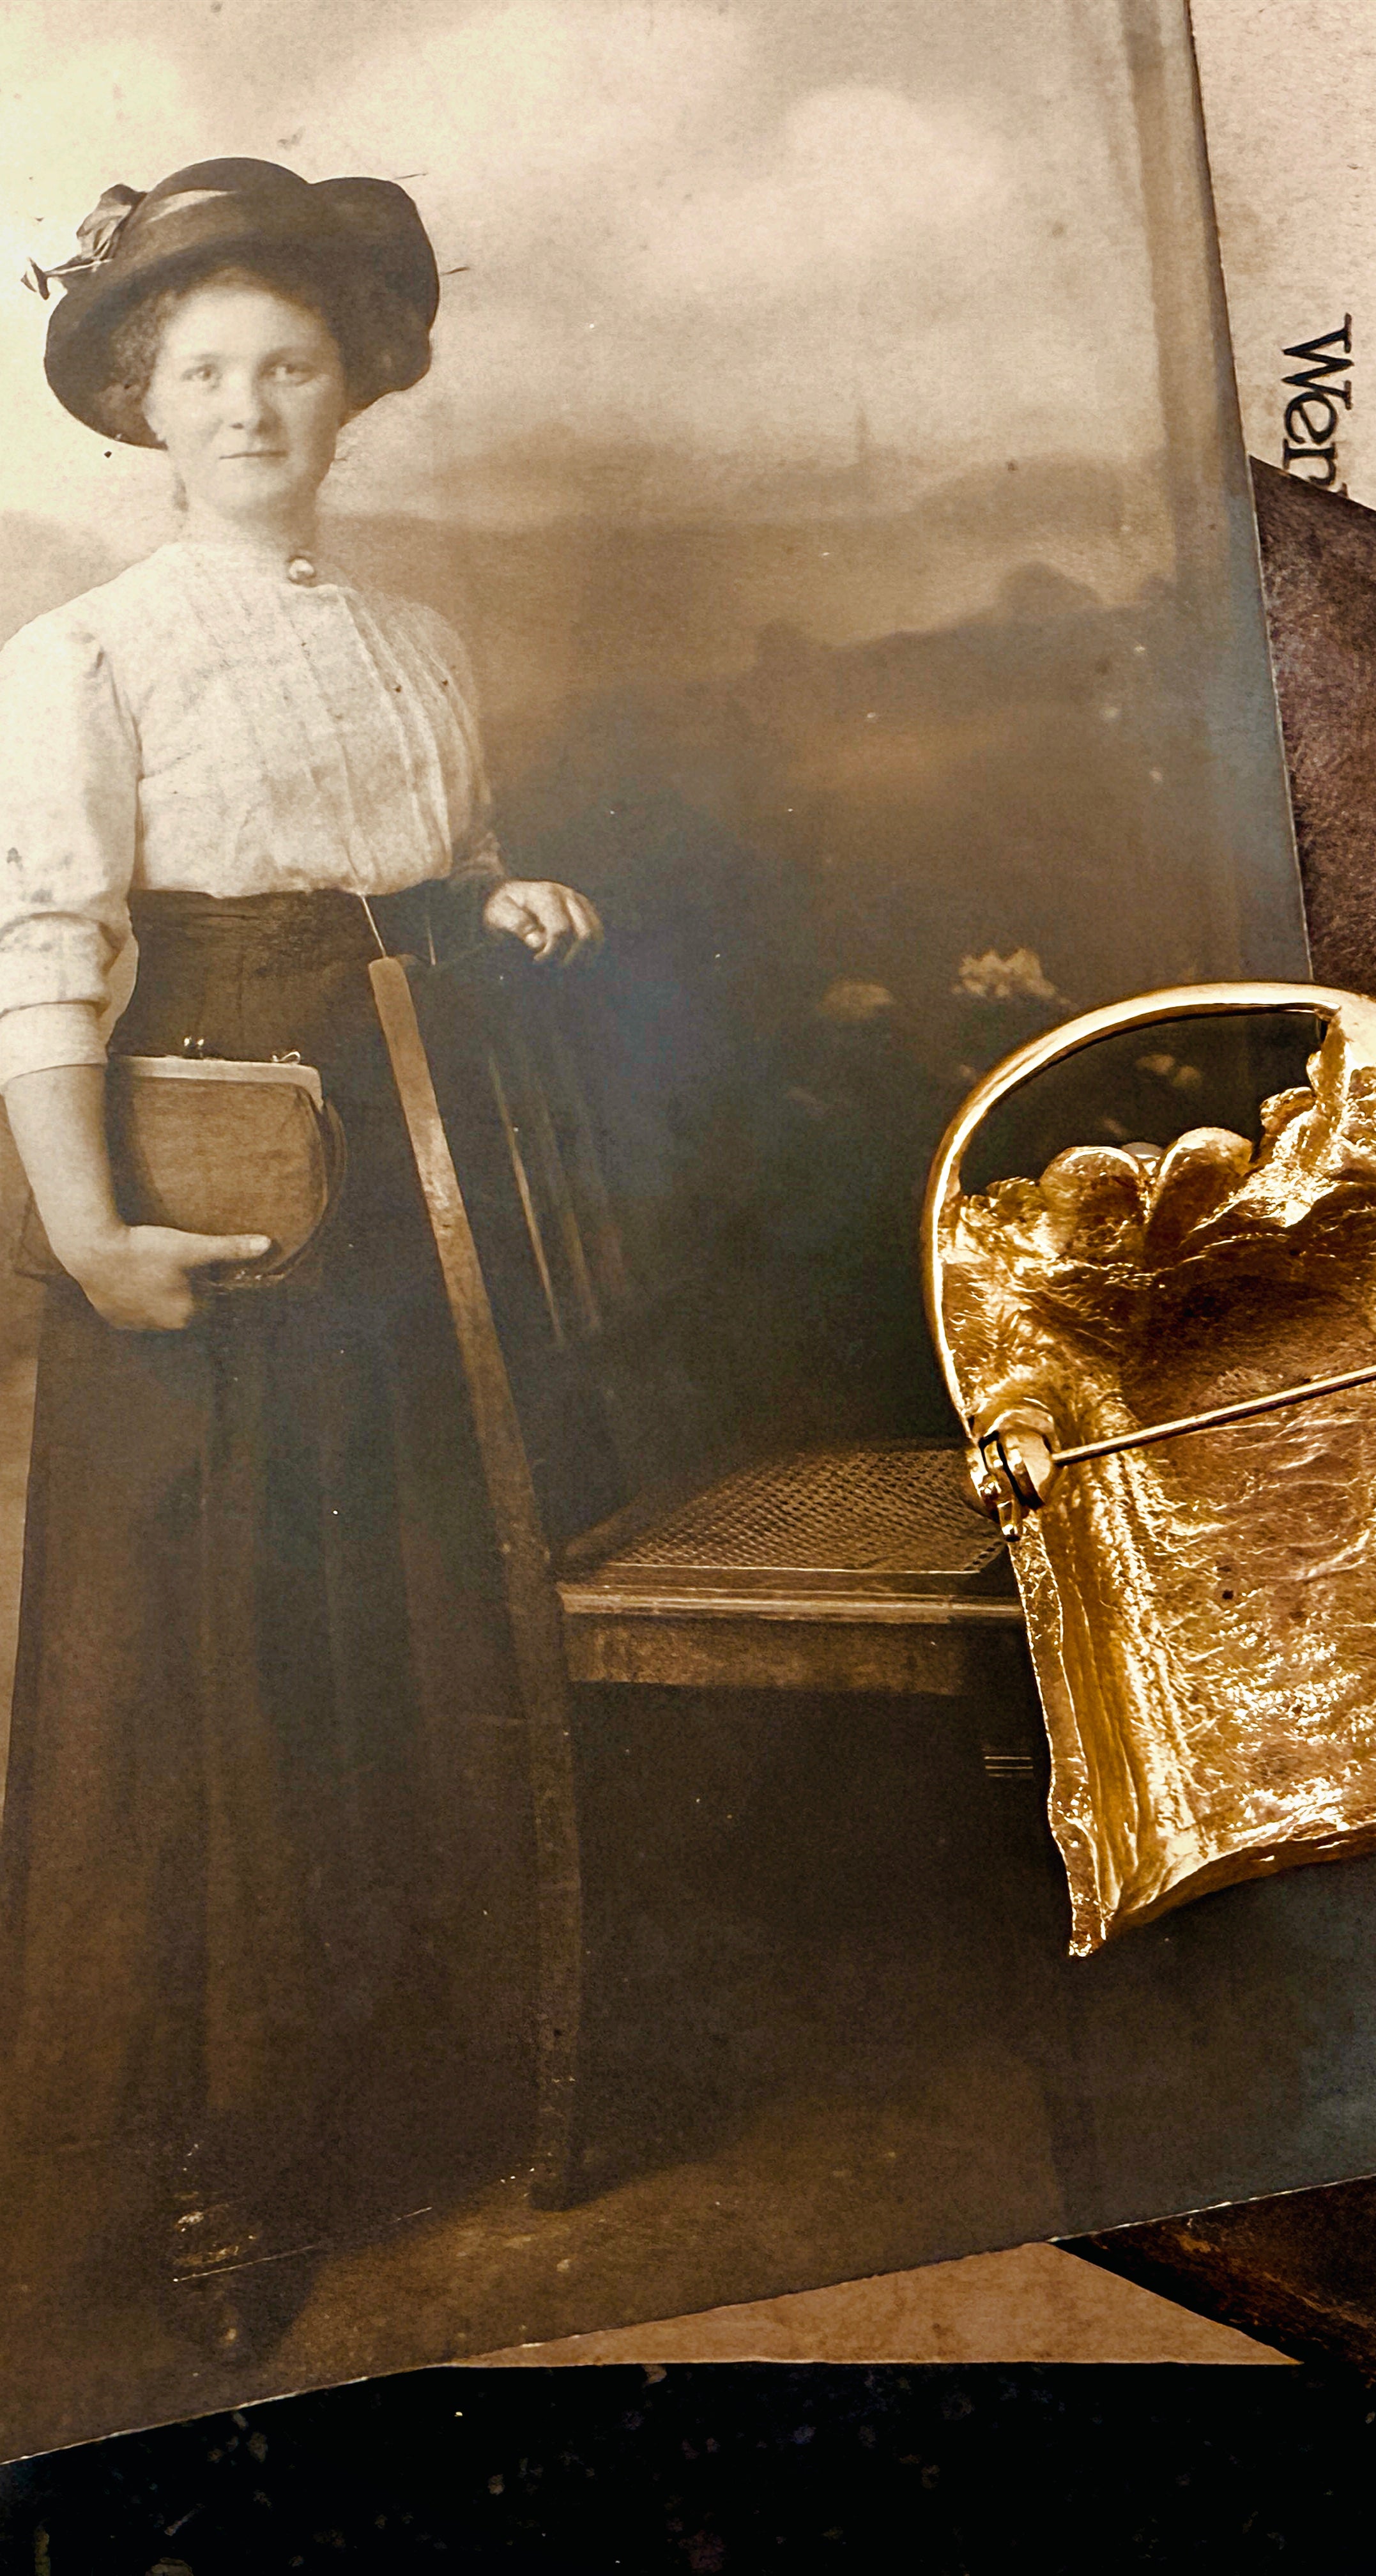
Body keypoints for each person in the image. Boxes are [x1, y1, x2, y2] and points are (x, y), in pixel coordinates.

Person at [0, 159, 603, 2366]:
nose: (250, 405)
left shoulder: (422, 646)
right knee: (213, 1679)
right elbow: (44, 963)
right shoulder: (75, 657)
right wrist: (84, 1236)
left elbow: (426, 876)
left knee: (388, 1628)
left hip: (411, 1232)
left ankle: (385, 2106)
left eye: (289, 363)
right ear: (144, 408)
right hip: (224, 1217)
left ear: (354, 388)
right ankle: (199, 2171)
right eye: (203, 373)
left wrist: (499, 906)